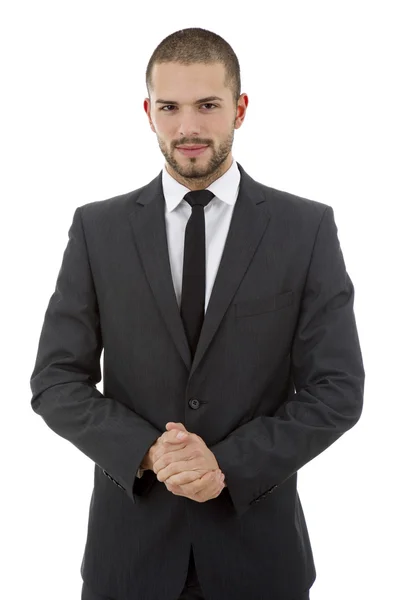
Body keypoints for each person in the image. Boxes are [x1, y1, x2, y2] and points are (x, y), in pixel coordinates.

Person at [30, 27, 365, 600]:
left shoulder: (304, 229)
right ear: (148, 112)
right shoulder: (97, 230)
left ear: (239, 108)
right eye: (170, 107)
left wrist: (225, 466)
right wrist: (150, 451)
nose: (188, 128)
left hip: (259, 560)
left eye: (208, 105)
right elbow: (56, 380)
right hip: (128, 560)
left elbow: (336, 389)